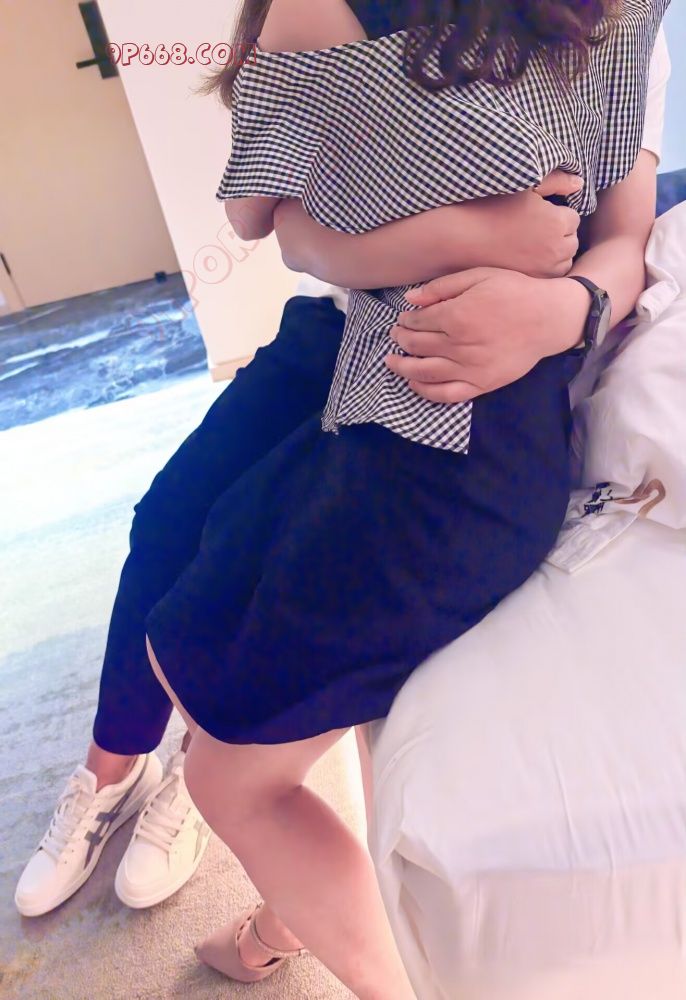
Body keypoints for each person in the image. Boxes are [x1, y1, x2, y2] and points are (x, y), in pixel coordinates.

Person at [11, 0, 666, 977]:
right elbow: (280, 229)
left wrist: (560, 308)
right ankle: (117, 771)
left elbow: (619, 235)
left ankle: (251, 812)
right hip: (354, 333)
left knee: (231, 695)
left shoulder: (607, 23)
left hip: (467, 407)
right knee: (176, 534)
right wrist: (468, 230)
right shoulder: (328, 15)